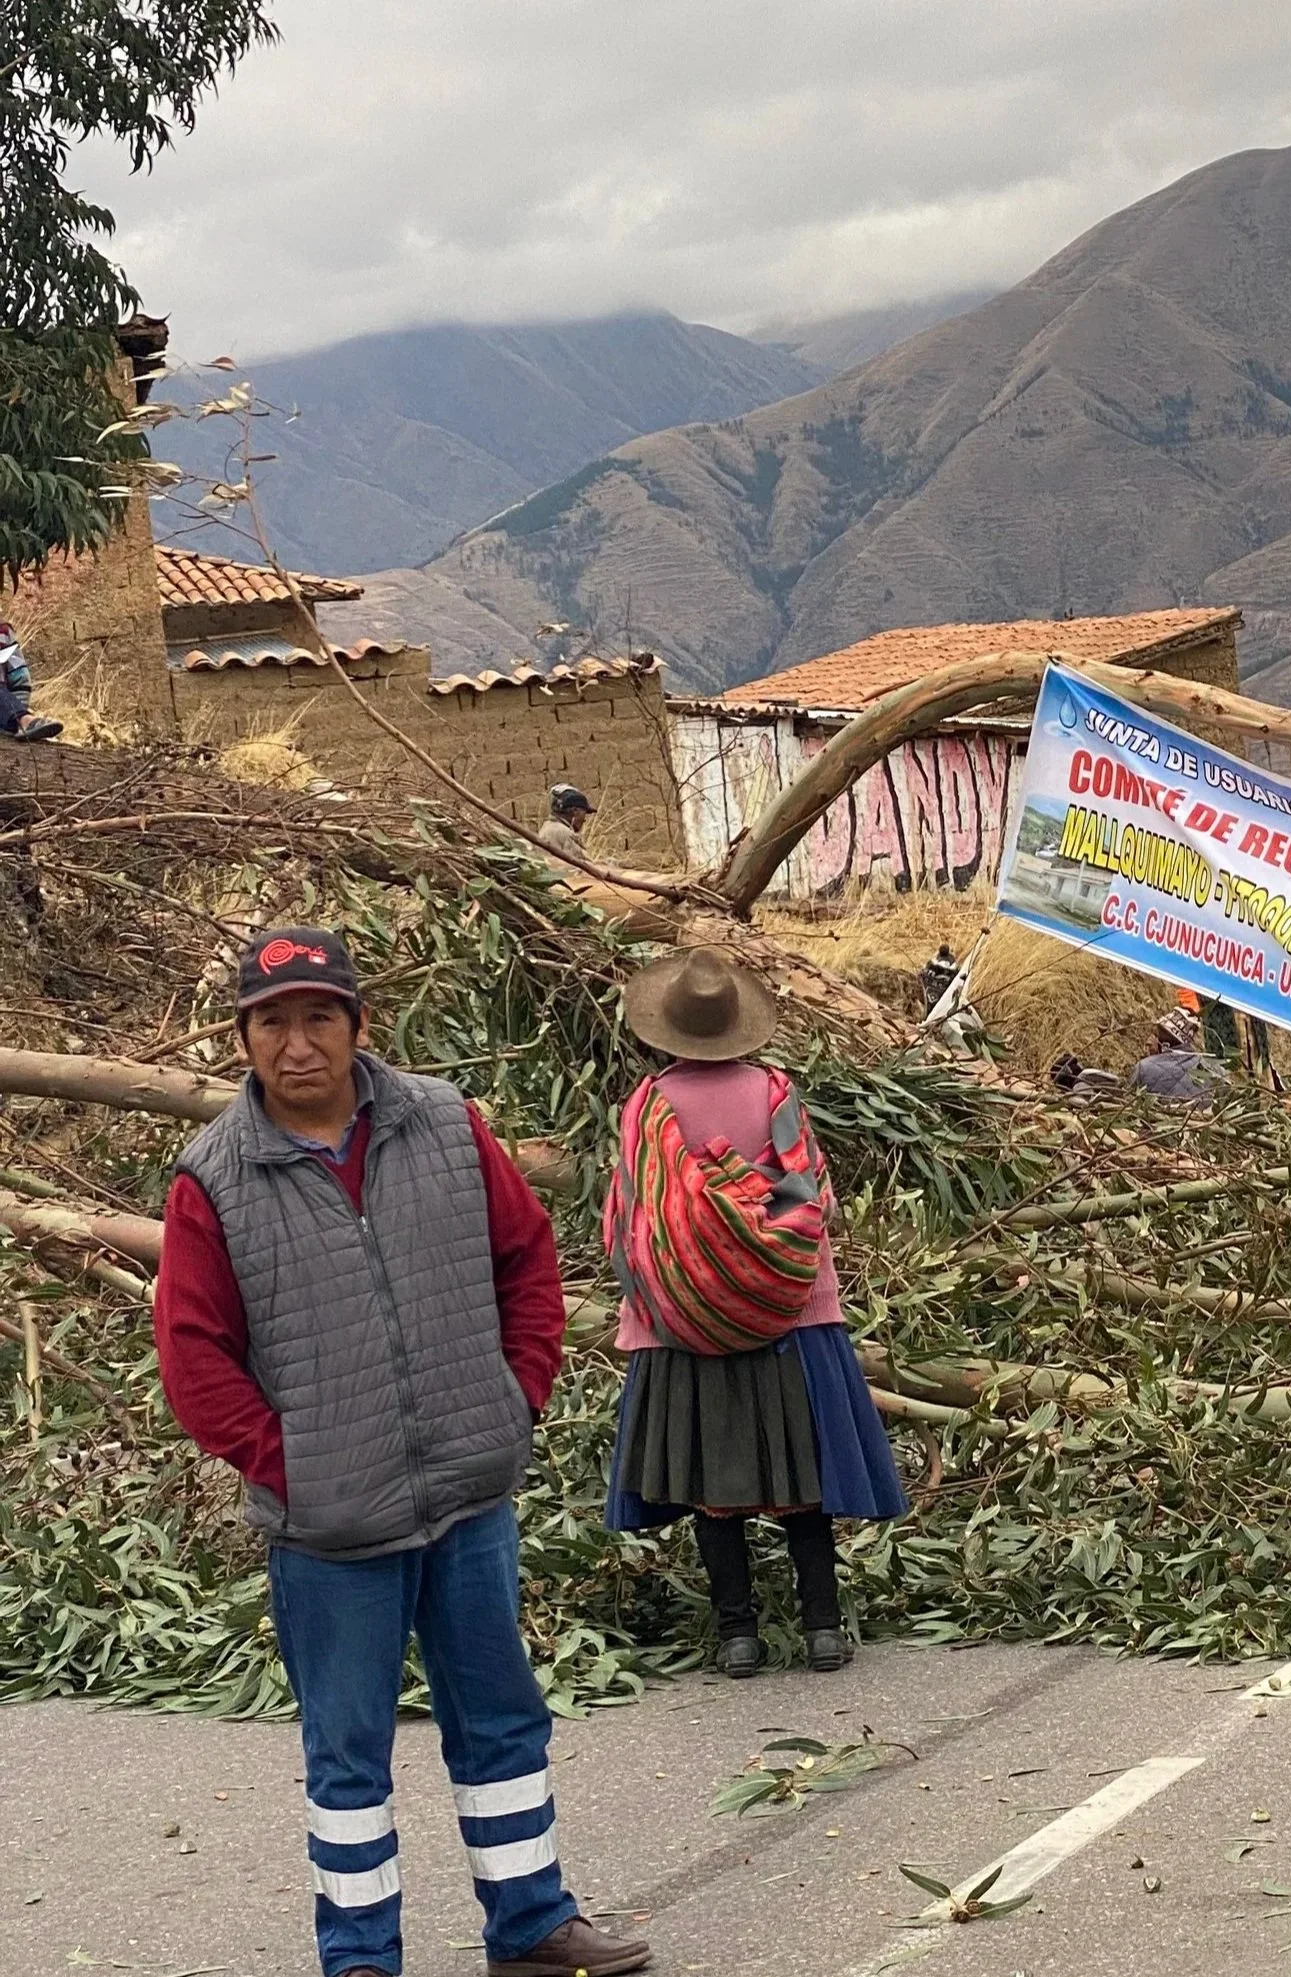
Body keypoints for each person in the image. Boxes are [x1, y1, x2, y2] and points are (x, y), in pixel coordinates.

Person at [152, 928, 649, 1977]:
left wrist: (513, 1398)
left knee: (501, 1721)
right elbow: (195, 1358)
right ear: (242, 1037)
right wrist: (293, 1466)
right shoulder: (215, 1180)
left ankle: (532, 1924)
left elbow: (527, 1260)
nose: (297, 1044)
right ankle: (361, 1957)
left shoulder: (445, 1124)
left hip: (468, 1496)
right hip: (331, 1532)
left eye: (318, 1017)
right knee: (348, 1756)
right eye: (273, 1022)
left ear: (358, 1024)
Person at [603, 949, 906, 1679]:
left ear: (667, 1031)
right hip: (791, 1314)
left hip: (686, 1324)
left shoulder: (648, 1107)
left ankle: (737, 1634)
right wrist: (760, 1241)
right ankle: (822, 1627)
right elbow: (816, 1199)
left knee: (713, 1483)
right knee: (803, 1478)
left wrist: (687, 1274)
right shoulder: (776, 1092)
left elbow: (631, 1217)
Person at [1130, 1007, 1220, 1101]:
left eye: (1155, 1035)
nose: (1148, 1041)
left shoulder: (1144, 1068)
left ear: (1165, 1044)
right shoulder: (1212, 1071)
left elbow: (1127, 1100)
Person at [0, 621, 64, 742]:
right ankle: (24, 721)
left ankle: (24, 722)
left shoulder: (3, 632)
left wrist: (18, 709)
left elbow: (19, 677)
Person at [538, 783, 595, 858]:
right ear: (575, 811)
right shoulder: (564, 834)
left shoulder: (548, 827)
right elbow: (579, 863)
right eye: (584, 813)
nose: (584, 819)